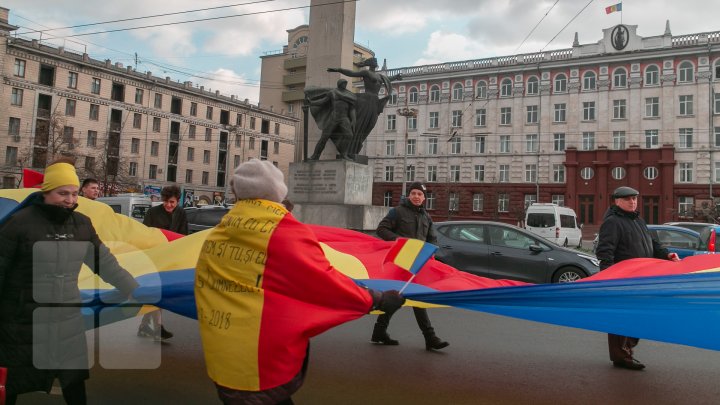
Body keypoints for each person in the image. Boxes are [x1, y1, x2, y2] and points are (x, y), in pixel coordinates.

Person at [195, 159, 405, 404]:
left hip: (223, 351)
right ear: (277, 191)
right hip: (261, 360)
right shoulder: (284, 231)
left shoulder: (221, 230)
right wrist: (376, 298)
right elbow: (325, 282)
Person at [0, 158, 139, 405]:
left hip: (66, 318)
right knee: (13, 380)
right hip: (22, 319)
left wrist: (131, 287)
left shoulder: (81, 224)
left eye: (74, 194)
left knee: (73, 381)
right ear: (46, 192)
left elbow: (104, 262)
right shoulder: (18, 223)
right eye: (62, 193)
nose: (70, 200)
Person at [595, 186, 680, 370]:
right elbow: (605, 252)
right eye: (628, 199)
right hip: (623, 279)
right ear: (617, 201)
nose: (632, 202)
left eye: (634, 199)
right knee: (622, 317)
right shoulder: (613, 222)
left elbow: (652, 244)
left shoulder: (638, 220)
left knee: (638, 316)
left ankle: (626, 350)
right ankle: (622, 355)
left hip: (641, 278)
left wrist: (666, 255)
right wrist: (610, 278)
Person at [372, 182, 449, 351]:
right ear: (409, 195)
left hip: (417, 263)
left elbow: (432, 238)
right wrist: (401, 243)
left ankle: (379, 331)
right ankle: (430, 337)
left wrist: (431, 251)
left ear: (424, 198)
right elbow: (382, 229)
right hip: (400, 263)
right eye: (413, 193)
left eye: (419, 194)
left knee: (404, 297)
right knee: (401, 297)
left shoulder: (426, 217)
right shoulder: (397, 212)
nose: (416, 196)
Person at [138, 185, 188, 341]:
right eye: (166, 201)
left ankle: (145, 326)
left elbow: (183, 236)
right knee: (157, 292)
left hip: (171, 258)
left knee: (158, 292)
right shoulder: (153, 213)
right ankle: (158, 327)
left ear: (178, 201)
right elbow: (145, 235)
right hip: (154, 257)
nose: (169, 205)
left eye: (172, 202)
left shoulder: (181, 213)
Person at [327, 57, 402, 156]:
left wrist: (396, 76)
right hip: (366, 100)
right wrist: (338, 70)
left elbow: (388, 80)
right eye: (374, 61)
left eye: (376, 61)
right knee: (360, 124)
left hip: (375, 102)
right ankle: (349, 149)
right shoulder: (366, 73)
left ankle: (355, 146)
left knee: (370, 125)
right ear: (370, 63)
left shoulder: (380, 76)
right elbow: (351, 73)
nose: (375, 62)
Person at [306, 78, 356, 160]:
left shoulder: (349, 95)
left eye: (345, 83)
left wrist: (354, 120)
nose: (345, 85)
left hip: (344, 118)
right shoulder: (332, 93)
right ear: (339, 84)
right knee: (324, 137)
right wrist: (311, 102)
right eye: (343, 83)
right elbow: (323, 101)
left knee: (349, 135)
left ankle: (344, 154)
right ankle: (315, 156)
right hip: (334, 117)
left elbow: (352, 109)